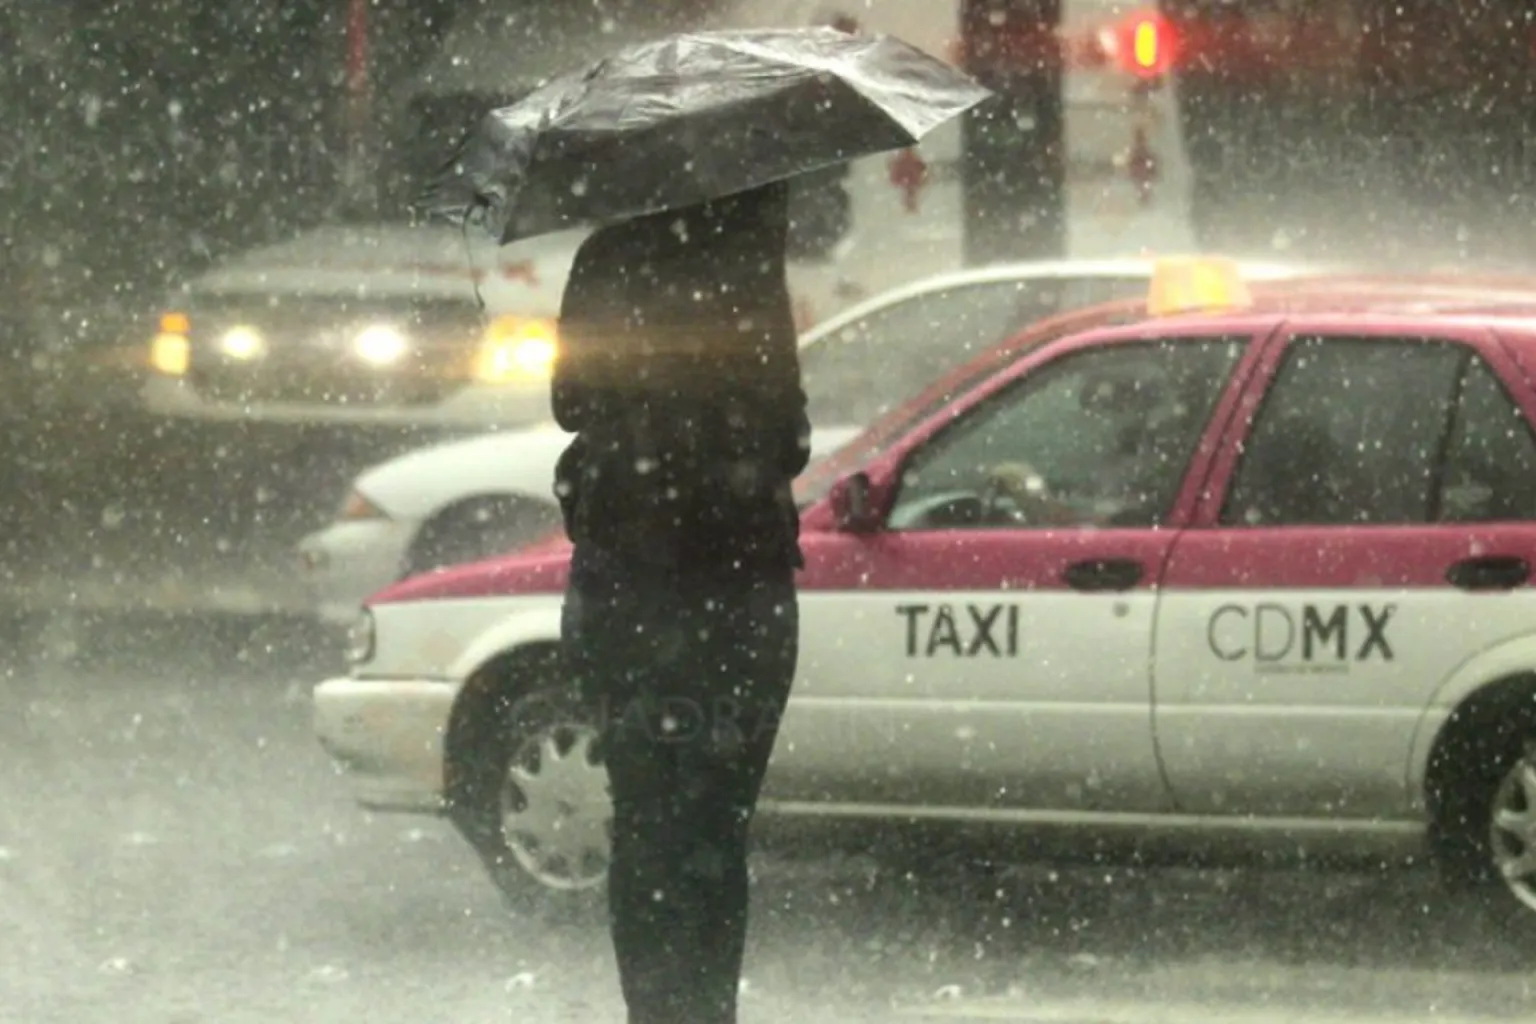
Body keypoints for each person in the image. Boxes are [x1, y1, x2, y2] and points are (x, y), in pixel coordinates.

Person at [551, 179, 811, 1024]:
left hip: (628, 584)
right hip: (739, 589)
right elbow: (789, 435)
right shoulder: (748, 259)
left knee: (645, 822)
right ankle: (707, 1010)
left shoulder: (609, 253)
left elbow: (569, 403)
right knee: (715, 826)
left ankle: (654, 1011)